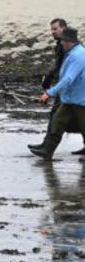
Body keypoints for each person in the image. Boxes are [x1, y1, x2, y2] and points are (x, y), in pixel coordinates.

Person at [30, 19, 85, 158]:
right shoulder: (71, 52)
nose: (60, 43)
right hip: (70, 98)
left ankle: (47, 150)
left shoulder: (78, 55)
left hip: (81, 99)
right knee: (57, 122)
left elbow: (68, 79)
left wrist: (50, 93)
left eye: (63, 41)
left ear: (69, 41)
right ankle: (47, 151)